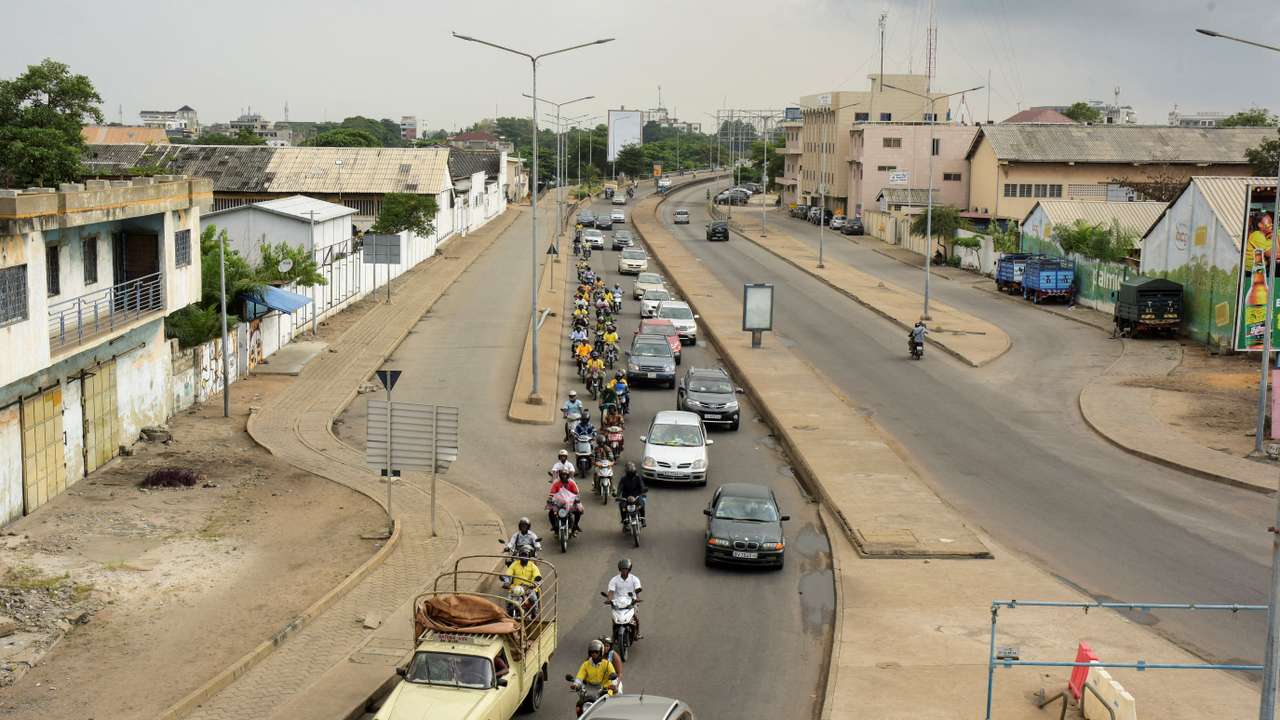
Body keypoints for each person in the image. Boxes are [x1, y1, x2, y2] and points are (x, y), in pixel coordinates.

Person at [569, 640, 618, 711]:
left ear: (601, 652)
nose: (594, 654)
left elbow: (613, 675)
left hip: (605, 689)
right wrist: (576, 684)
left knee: (610, 707)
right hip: (589, 690)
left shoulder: (607, 664)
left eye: (596, 652)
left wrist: (613, 685)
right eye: (592, 652)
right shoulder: (585, 664)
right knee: (579, 705)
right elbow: (580, 676)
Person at [607, 558, 642, 640]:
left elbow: (637, 590)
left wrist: (637, 598)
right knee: (615, 619)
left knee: (635, 617)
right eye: (622, 569)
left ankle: (637, 633)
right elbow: (611, 591)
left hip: (632, 601)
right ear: (620, 569)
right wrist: (609, 599)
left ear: (629, 569)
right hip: (618, 602)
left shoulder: (634, 579)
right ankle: (613, 635)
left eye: (626, 569)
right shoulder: (614, 580)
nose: (624, 571)